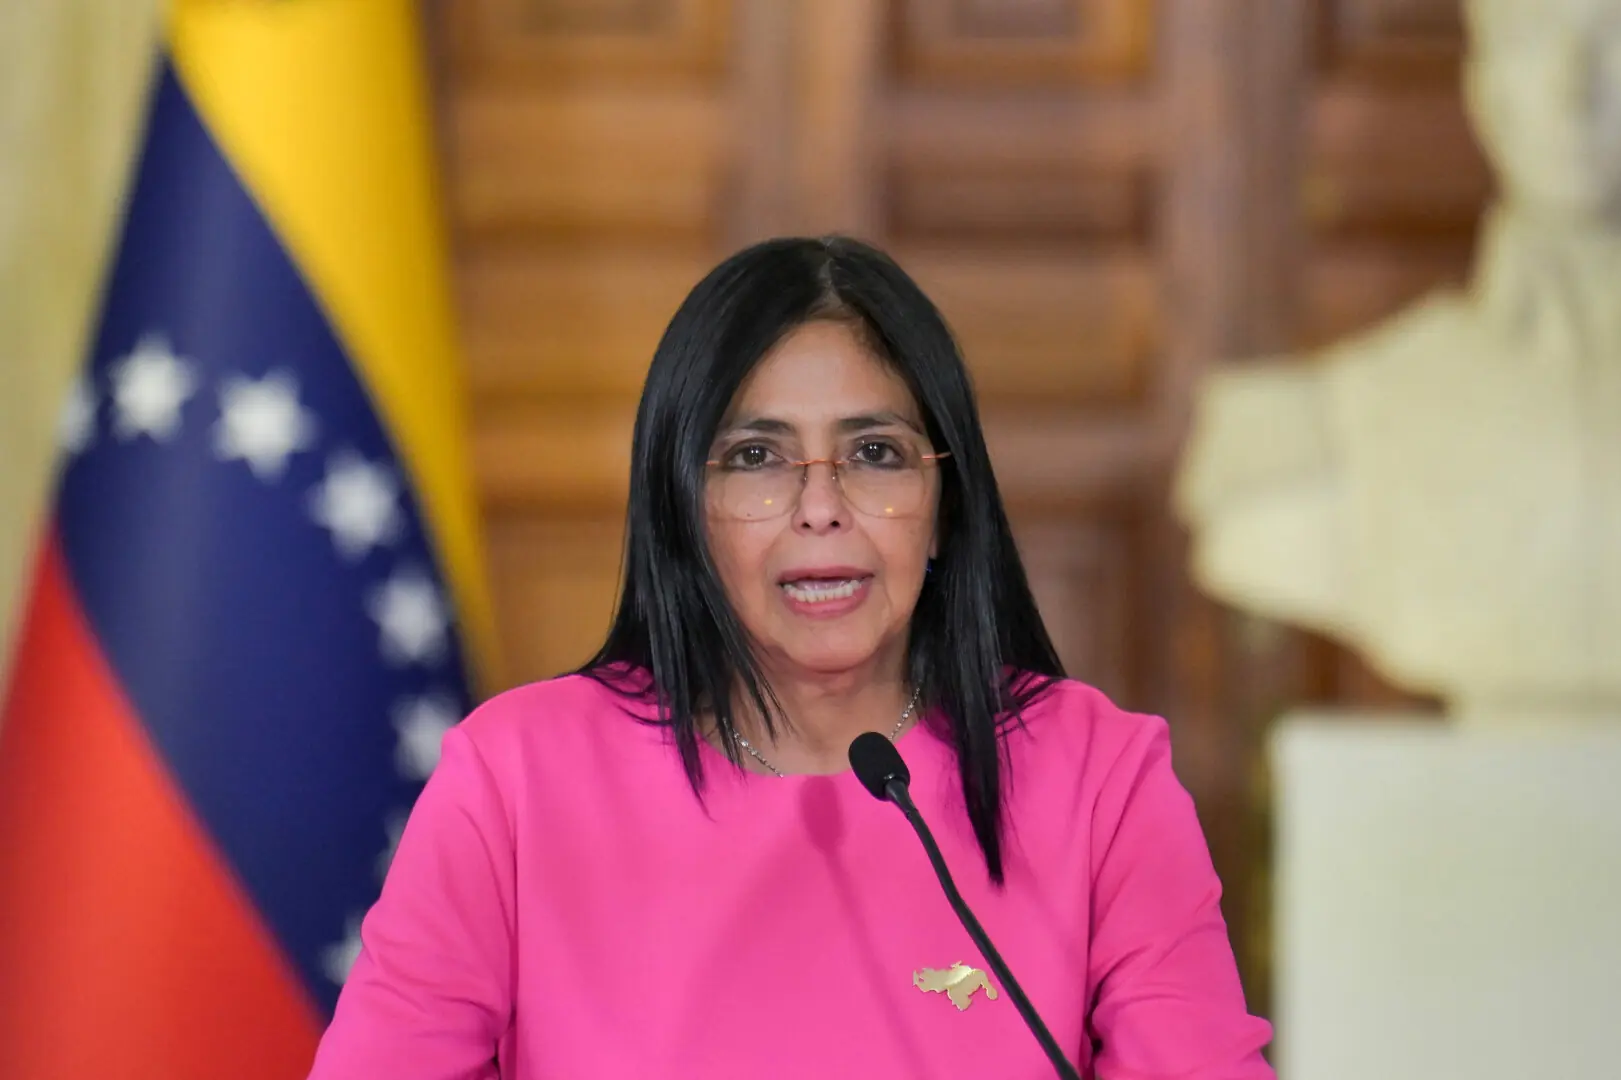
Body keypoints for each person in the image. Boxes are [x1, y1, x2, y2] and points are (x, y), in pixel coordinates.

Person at [307, 236, 1276, 1079]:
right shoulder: (515, 780)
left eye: (877, 454)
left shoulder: (1098, 779)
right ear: (685, 509)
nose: (822, 507)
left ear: (946, 507)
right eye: (758, 458)